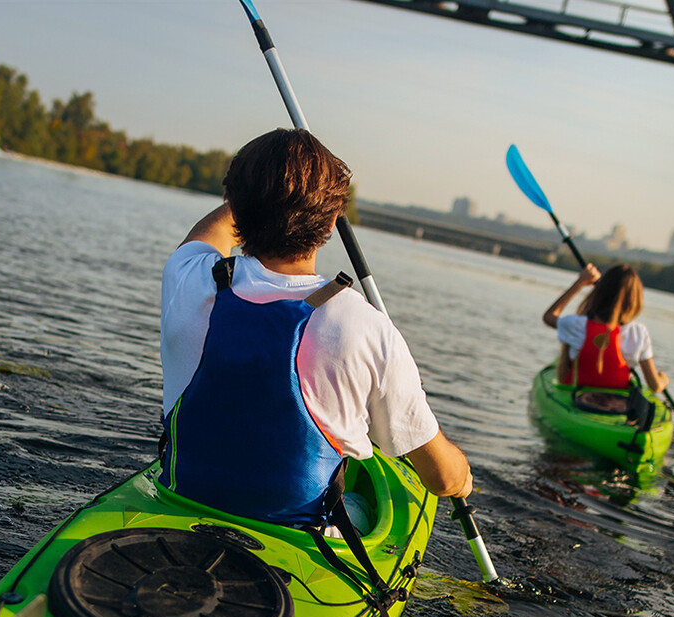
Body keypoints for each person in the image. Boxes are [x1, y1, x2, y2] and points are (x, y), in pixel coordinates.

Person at [159, 128, 473, 529]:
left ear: (235, 204)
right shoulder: (366, 328)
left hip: (181, 501)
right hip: (296, 537)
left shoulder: (189, 278)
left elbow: (211, 233)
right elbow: (442, 478)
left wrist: (261, 184)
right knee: (361, 499)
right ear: (329, 220)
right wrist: (462, 477)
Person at [541, 263, 669, 412]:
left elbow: (549, 317)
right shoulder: (638, 332)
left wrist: (580, 283)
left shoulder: (576, 324)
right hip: (619, 403)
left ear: (600, 292)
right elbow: (655, 385)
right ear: (635, 300)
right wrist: (664, 379)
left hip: (577, 396)